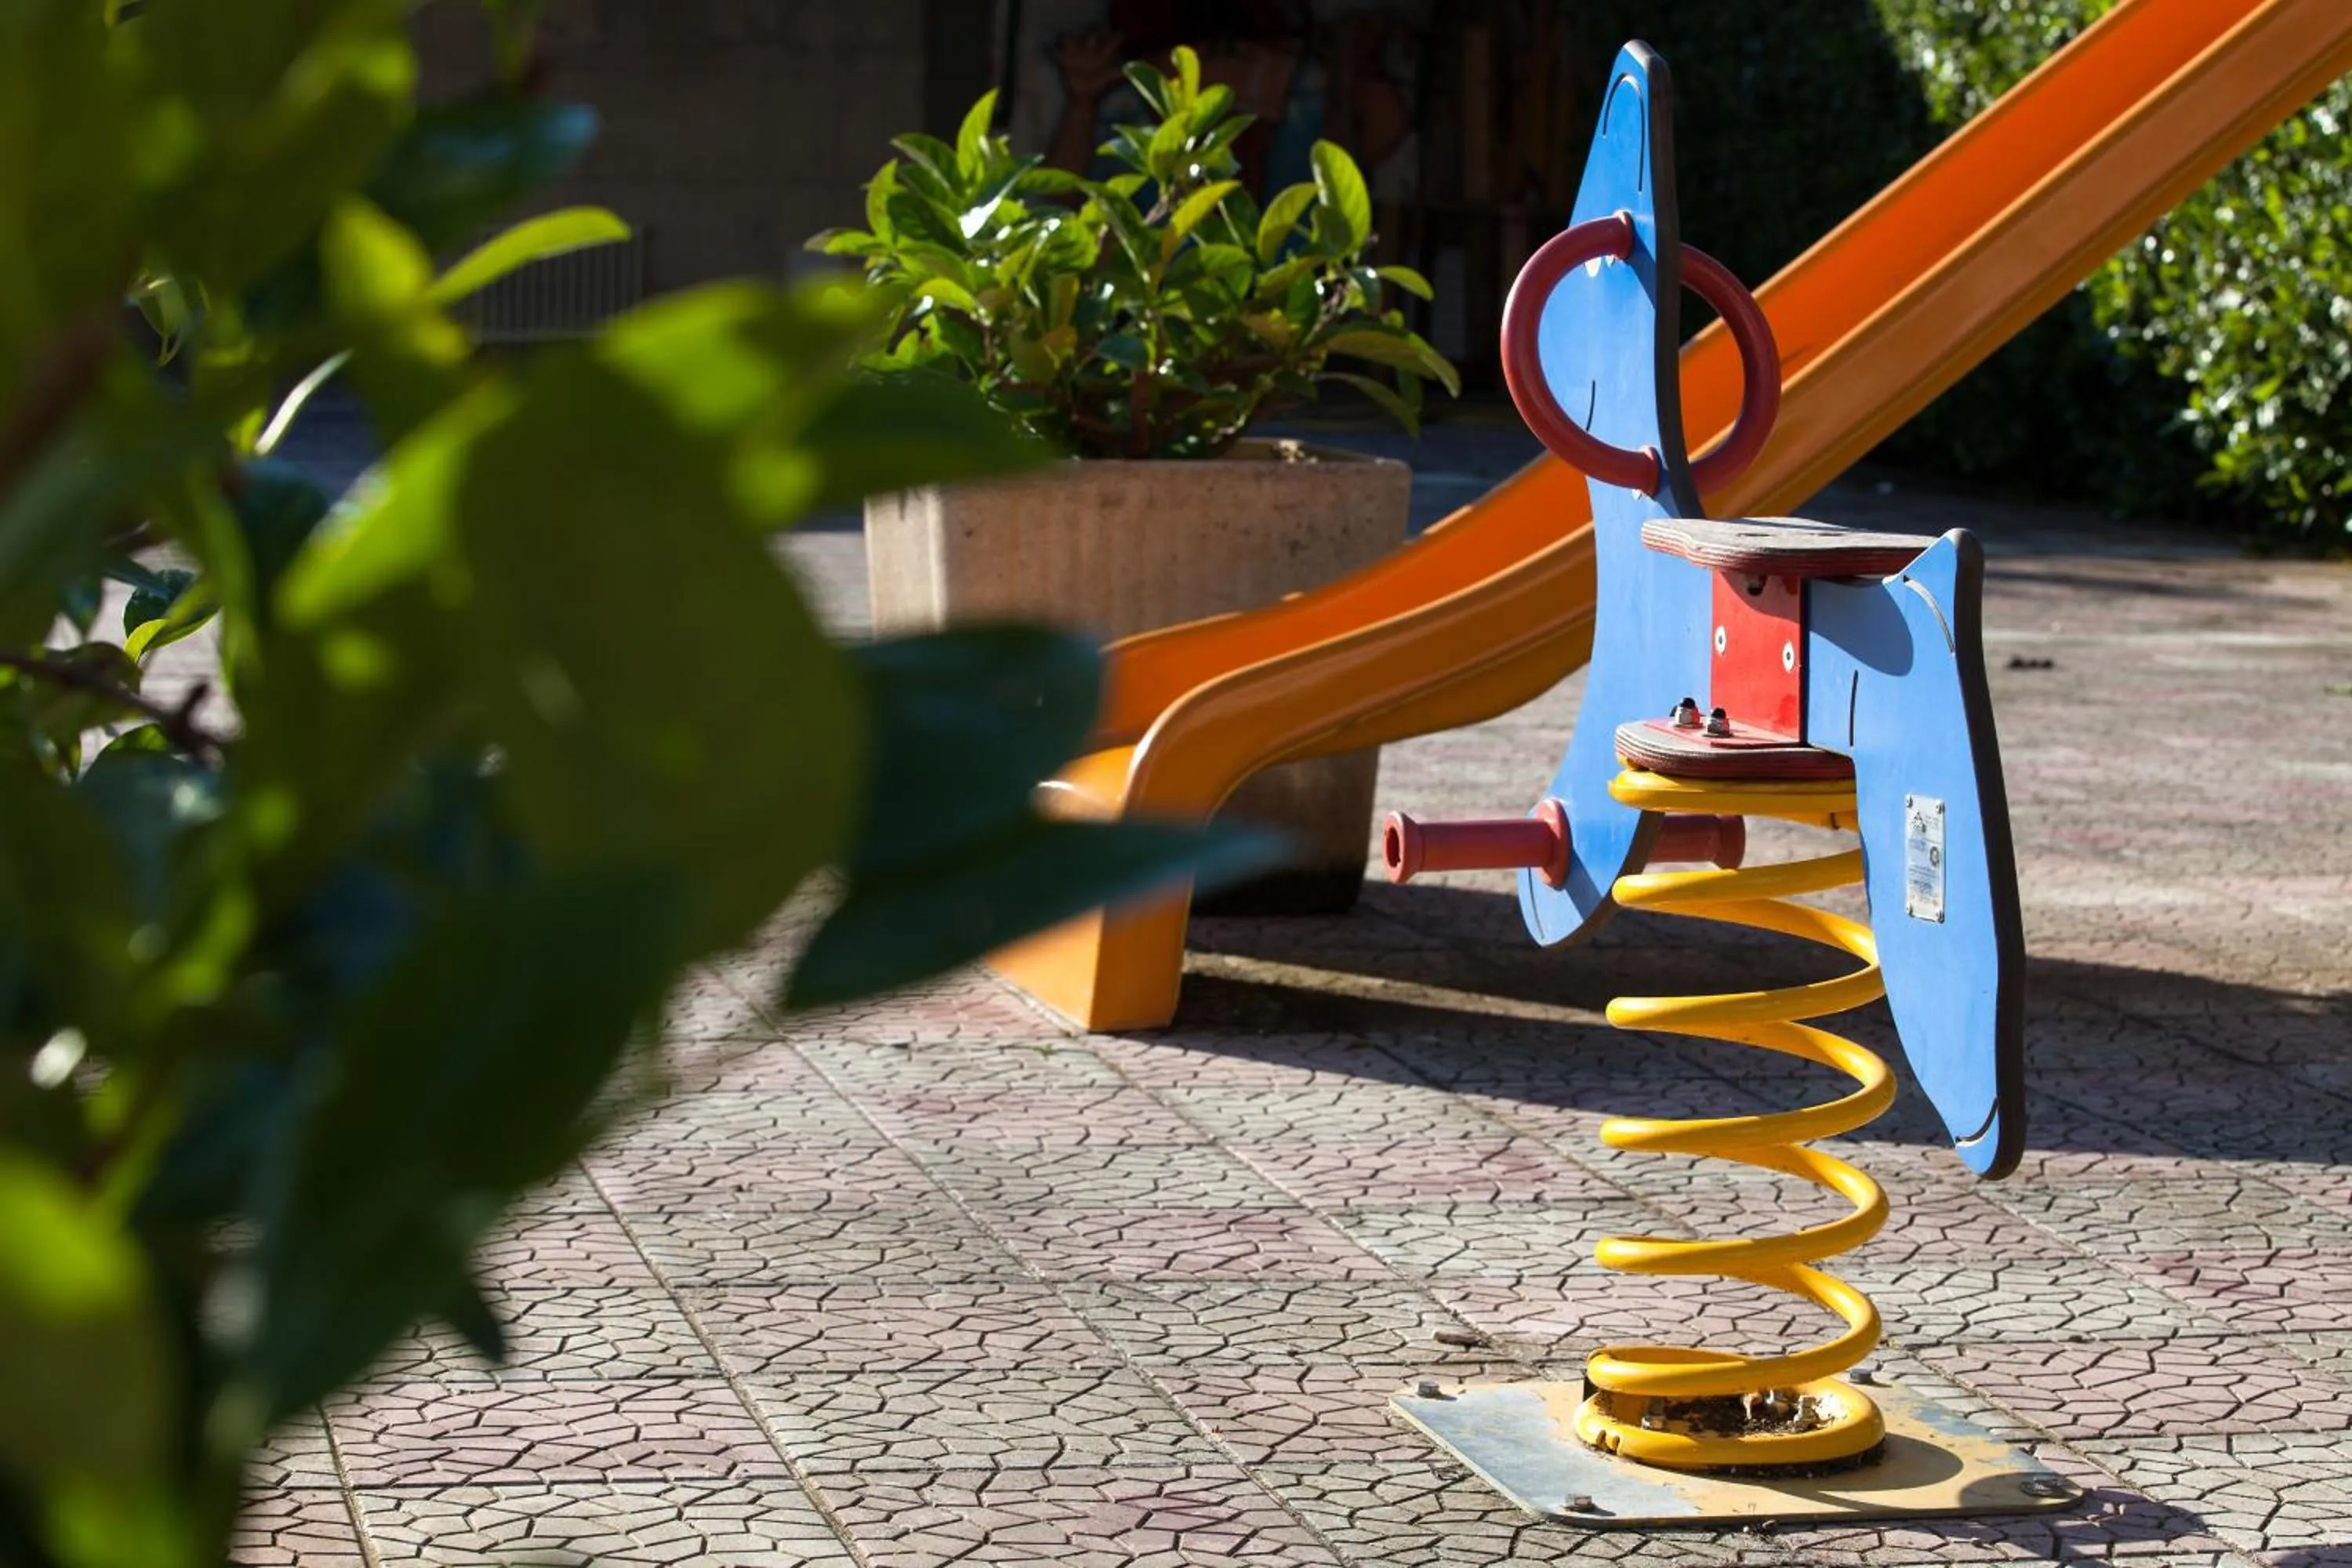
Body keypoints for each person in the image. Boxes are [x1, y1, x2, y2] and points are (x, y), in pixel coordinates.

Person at [1044, 0, 1410, 200]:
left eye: (1232, 56)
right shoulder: (1124, 108)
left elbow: (1379, 136)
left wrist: (1363, 65)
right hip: (1158, 309)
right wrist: (1083, 103)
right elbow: (1062, 192)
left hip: (1283, 308)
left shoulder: (1306, 97)